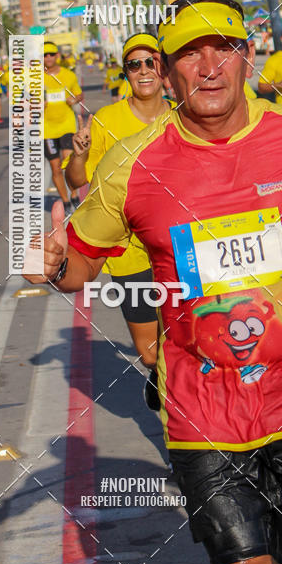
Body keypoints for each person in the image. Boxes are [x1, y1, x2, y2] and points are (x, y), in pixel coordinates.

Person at [24, 0, 282, 564]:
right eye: (190, 54)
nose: (209, 67)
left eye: (224, 49)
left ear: (246, 56)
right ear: (170, 68)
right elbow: (76, 268)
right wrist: (48, 263)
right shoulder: (133, 164)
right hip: (202, 405)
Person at [65, 33, 173, 404]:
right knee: (149, 353)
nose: (143, 71)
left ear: (163, 68)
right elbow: (77, 180)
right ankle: (161, 376)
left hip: (182, 247)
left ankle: (190, 442)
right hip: (129, 252)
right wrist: (78, 155)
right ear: (126, 72)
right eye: (134, 64)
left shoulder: (183, 115)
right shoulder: (107, 120)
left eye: (151, 62)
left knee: (190, 342)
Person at [42, 41, 82, 217]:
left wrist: (75, 99)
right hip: (46, 129)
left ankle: (74, 195)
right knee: (55, 167)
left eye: (51, 54)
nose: (48, 57)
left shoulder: (68, 75)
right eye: (45, 55)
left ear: (57, 56)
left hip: (66, 124)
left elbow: (79, 93)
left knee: (68, 162)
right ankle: (65, 200)